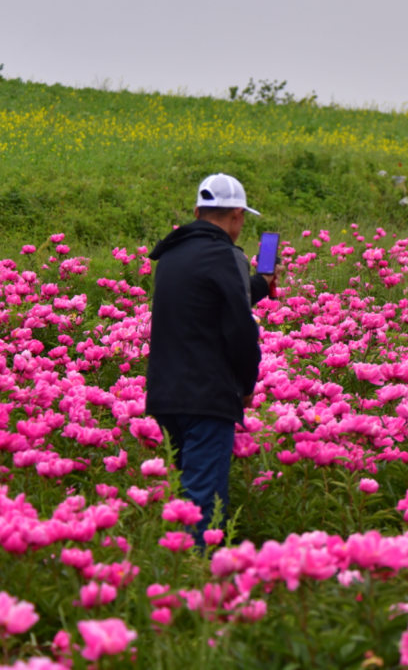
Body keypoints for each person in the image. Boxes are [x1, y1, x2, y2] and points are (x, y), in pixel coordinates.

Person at [145, 173, 274, 545]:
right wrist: (246, 385)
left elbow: (206, 298)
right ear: (236, 215)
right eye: (242, 219)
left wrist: (261, 284)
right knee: (204, 503)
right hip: (207, 396)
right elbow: (239, 327)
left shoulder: (171, 254)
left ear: (199, 211)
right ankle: (198, 583)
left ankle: (178, 570)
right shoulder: (226, 254)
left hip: (167, 396)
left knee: (185, 498)